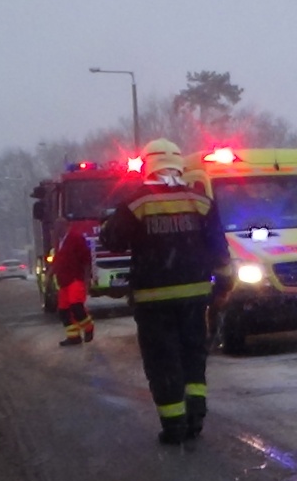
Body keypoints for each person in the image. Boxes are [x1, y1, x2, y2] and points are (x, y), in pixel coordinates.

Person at [100, 138, 233, 445]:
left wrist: (115, 213)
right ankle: (196, 416)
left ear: (148, 164)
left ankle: (174, 426)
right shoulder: (201, 202)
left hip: (153, 301)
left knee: (163, 361)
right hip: (194, 298)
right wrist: (224, 285)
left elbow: (111, 240)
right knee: (192, 356)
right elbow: (219, 250)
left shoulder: (137, 203)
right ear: (179, 163)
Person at [51, 216, 94, 346]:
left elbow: (86, 259)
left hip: (75, 278)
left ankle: (88, 328)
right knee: (64, 312)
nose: (56, 229)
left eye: (58, 226)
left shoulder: (76, 238)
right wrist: (49, 274)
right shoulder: (59, 242)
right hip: (63, 280)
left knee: (77, 307)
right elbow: (58, 260)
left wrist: (87, 278)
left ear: (65, 226)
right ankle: (73, 337)